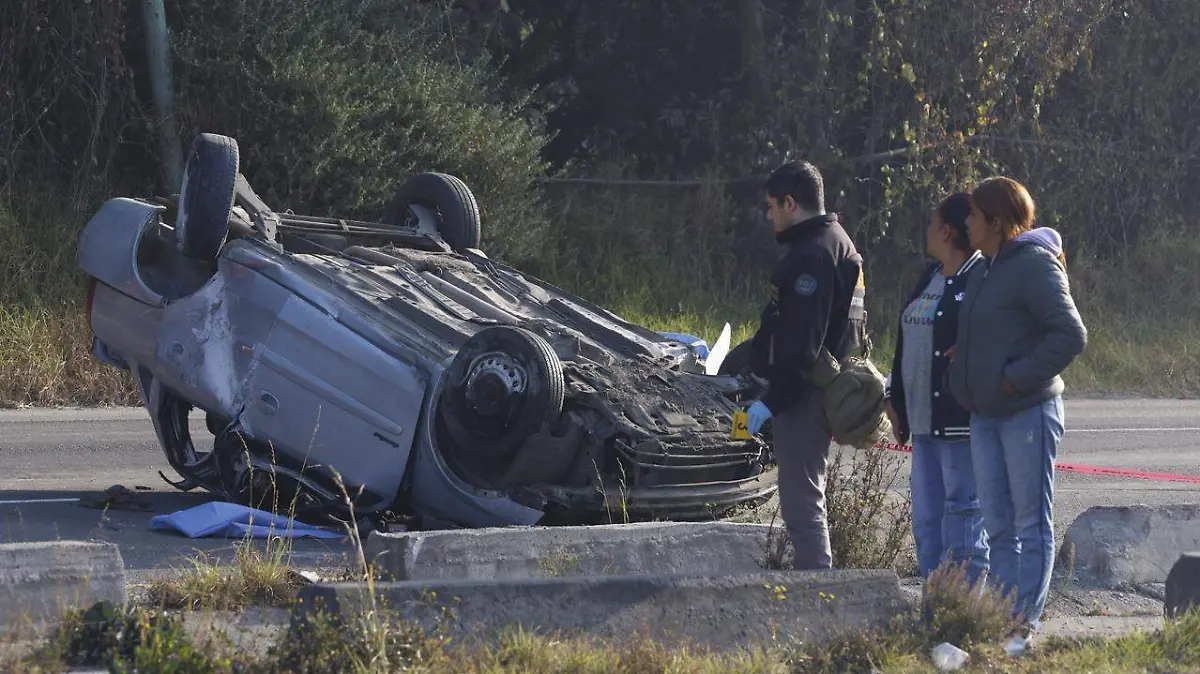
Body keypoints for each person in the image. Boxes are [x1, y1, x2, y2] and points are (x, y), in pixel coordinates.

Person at [946, 176, 1088, 657]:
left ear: (996, 222)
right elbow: (997, 330)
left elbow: (1070, 334)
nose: (966, 222)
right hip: (987, 415)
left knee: (1031, 523)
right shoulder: (984, 268)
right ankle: (1000, 621)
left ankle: (1023, 626)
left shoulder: (1033, 264)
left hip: (1027, 412)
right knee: (999, 526)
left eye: (972, 215)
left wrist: (1015, 377)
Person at [743, 160, 869, 570]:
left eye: (771, 206)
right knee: (805, 498)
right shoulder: (837, 242)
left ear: (790, 203)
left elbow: (802, 343)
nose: (768, 215)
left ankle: (818, 602)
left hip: (805, 394)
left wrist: (772, 401)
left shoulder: (814, 255)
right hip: (817, 389)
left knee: (802, 504)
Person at [885, 193, 990, 587]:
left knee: (963, 521)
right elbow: (904, 338)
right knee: (928, 523)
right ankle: (936, 611)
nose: (927, 229)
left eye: (932, 222)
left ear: (946, 230)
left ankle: (965, 617)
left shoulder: (981, 276)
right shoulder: (930, 274)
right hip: (922, 425)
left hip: (960, 423)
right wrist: (894, 399)